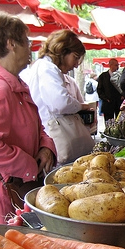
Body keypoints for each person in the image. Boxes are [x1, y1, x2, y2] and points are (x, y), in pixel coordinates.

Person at [0, 12, 56, 223]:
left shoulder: (14, 84)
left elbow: (35, 126)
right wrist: (27, 165)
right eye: (26, 42)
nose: (31, 48)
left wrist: (46, 147)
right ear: (11, 44)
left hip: (14, 185)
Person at [25, 29, 94, 165]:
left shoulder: (43, 67)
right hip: (53, 135)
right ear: (63, 51)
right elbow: (61, 103)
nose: (75, 64)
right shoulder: (47, 68)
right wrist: (81, 106)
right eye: (75, 57)